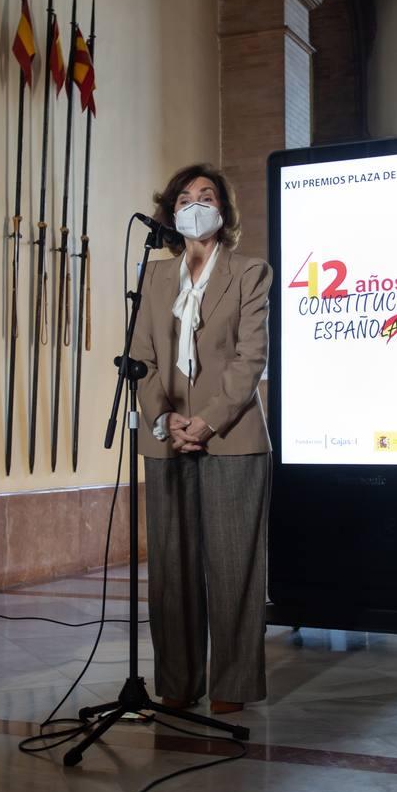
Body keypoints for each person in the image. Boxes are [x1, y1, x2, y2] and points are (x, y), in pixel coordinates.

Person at [132, 163, 273, 715]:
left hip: (233, 438)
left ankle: (233, 685)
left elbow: (249, 359)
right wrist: (165, 420)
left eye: (206, 196)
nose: (195, 204)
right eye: (185, 197)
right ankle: (178, 680)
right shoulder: (154, 278)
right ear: (170, 212)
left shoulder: (249, 273)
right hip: (166, 438)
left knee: (234, 564)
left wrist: (207, 421)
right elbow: (140, 358)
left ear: (223, 211)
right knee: (171, 566)